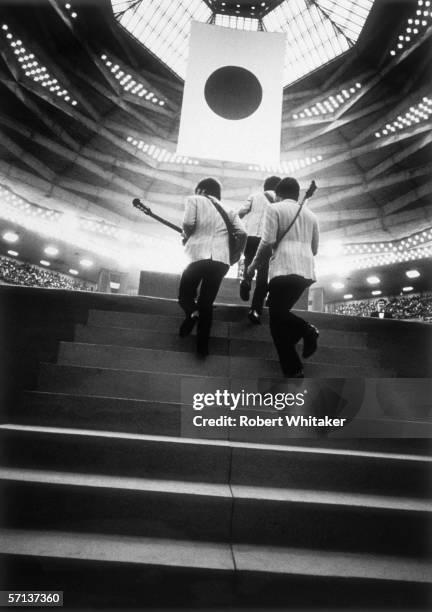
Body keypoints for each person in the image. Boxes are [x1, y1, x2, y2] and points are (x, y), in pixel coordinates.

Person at [246, 177, 319, 378]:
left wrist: (252, 267)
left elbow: (267, 243)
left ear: (277, 194)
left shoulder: (274, 209)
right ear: (296, 195)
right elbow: (315, 248)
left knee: (276, 315)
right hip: (305, 271)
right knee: (278, 319)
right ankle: (293, 368)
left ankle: (307, 330)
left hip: (283, 268)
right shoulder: (312, 216)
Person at [178, 177, 247, 357]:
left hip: (197, 256)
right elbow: (242, 233)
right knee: (206, 302)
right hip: (221, 261)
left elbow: (188, 223)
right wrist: (235, 255)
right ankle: (202, 348)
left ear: (201, 190)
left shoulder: (194, 200)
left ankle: (192, 313)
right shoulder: (229, 210)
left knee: (185, 295)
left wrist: (187, 236)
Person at [238, 175, 281, 324]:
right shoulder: (280, 201)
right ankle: (255, 310)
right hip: (266, 240)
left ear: (265, 186)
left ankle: (246, 281)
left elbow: (240, 213)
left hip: (250, 238)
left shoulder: (254, 196)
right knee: (263, 276)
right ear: (278, 187)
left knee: (249, 262)